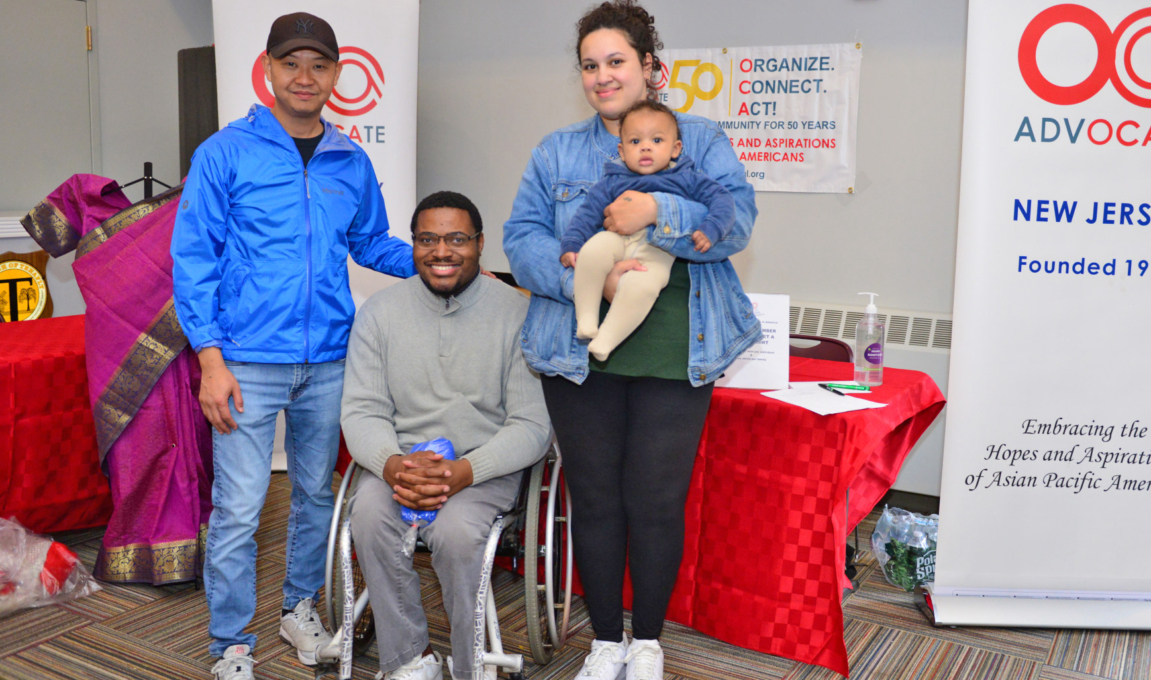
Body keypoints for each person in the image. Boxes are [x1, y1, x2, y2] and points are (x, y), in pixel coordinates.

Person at [502, 2, 761, 679]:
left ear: (649, 66)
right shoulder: (557, 151)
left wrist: (660, 210)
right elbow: (522, 239)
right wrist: (581, 282)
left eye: (616, 61)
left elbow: (737, 227)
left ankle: (647, 641)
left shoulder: (700, 139)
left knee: (654, 499)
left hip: (679, 350)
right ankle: (606, 641)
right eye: (590, 65)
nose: (602, 76)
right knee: (593, 497)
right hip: (577, 352)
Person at [170, 12, 416, 680]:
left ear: (337, 74)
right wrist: (210, 358)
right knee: (241, 508)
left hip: (331, 360)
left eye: (319, 65)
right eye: (291, 64)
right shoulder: (225, 153)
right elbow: (193, 260)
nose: (305, 77)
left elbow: (370, 243)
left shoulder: (349, 158)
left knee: (313, 496)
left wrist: (439, 256)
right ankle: (231, 645)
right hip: (245, 359)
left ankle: (298, 608)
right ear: (270, 70)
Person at [340, 191, 553, 680]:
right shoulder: (378, 313)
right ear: (412, 245)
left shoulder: (519, 314)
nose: (442, 251)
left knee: (457, 534)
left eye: (457, 239)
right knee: (369, 514)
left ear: (479, 244)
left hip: (484, 464)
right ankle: (409, 659)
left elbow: (531, 425)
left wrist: (464, 472)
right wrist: (394, 464)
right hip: (402, 462)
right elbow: (362, 410)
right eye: (427, 239)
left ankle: (468, 662)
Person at [22, 176, 212, 587]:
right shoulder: (81, 197)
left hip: (181, 353)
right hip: (117, 357)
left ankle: (195, 549)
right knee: (139, 450)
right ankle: (138, 547)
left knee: (188, 443)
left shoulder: (195, 196)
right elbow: (49, 236)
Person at [560, 99, 735, 361]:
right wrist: (572, 243)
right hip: (616, 238)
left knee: (645, 284)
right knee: (592, 251)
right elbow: (587, 213)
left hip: (657, 248)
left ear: (676, 148)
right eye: (634, 142)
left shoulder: (687, 178)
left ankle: (607, 339)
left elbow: (723, 200)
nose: (645, 147)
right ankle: (586, 319)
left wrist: (711, 228)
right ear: (621, 151)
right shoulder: (612, 180)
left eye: (656, 140)